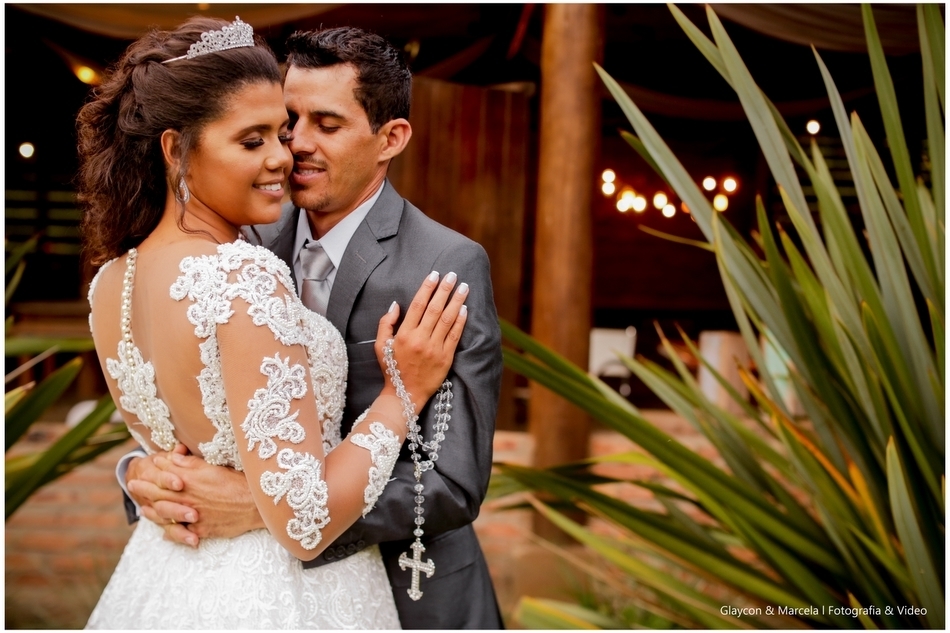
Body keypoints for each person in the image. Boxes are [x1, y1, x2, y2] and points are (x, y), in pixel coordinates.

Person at [80, 16, 470, 629]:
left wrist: (243, 500)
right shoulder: (244, 270)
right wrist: (402, 395)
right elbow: (300, 516)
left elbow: (454, 480)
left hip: (171, 586)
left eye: (284, 133)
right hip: (276, 594)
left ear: (391, 137)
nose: (286, 156)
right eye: (254, 139)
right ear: (176, 149)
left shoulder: (111, 283)